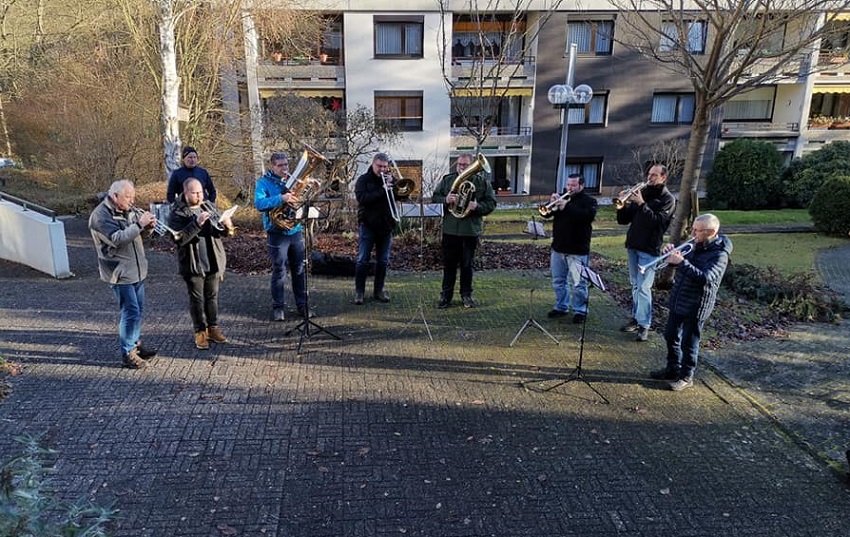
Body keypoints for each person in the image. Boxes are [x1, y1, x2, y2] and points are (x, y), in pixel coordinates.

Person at [650, 214, 732, 391]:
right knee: (670, 335)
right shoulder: (695, 244)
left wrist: (682, 262)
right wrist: (671, 258)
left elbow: (705, 278)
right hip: (679, 298)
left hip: (697, 305)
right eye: (692, 229)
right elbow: (682, 266)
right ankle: (672, 368)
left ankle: (687, 376)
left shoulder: (719, 255)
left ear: (711, 232)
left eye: (697, 230)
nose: (692, 233)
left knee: (689, 343)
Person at [88, 180, 158, 369]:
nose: (132, 200)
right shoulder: (100, 216)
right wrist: (139, 225)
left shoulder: (128, 210)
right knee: (130, 312)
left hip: (136, 270)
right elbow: (116, 239)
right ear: (115, 196)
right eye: (128, 197)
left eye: (133, 196)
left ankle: (135, 344)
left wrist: (148, 227)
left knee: (138, 311)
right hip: (118, 271)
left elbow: (138, 235)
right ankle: (127, 353)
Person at [168, 178, 234, 350]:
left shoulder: (208, 206)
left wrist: (227, 226)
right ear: (185, 192)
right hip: (192, 263)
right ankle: (200, 331)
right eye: (194, 193)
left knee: (212, 297)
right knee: (197, 299)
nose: (199, 196)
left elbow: (222, 233)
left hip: (213, 259)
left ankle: (213, 327)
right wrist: (196, 224)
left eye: (200, 192)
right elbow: (179, 239)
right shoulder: (177, 212)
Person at [616, 164, 676, 341]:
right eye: (649, 174)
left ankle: (645, 325)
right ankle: (636, 319)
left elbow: (657, 222)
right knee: (635, 285)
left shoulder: (667, 199)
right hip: (633, 245)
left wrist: (642, 204)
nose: (650, 178)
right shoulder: (642, 193)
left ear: (663, 177)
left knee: (644, 287)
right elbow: (624, 221)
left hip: (649, 249)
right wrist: (621, 206)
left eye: (655, 175)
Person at [431, 152, 497, 308]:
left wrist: (477, 206)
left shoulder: (481, 182)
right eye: (459, 164)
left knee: (467, 265)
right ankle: (446, 296)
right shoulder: (448, 180)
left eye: (465, 165)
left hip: (470, 230)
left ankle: (466, 295)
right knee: (449, 266)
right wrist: (446, 200)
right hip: (450, 229)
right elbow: (435, 198)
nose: (461, 167)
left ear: (472, 165)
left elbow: (492, 203)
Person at [254, 152, 309, 321]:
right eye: (280, 165)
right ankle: (278, 307)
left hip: (295, 230)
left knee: (299, 269)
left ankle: (302, 306)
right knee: (279, 270)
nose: (285, 168)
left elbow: (301, 202)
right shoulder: (263, 183)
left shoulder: (292, 181)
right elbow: (259, 204)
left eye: (286, 164)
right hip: (276, 232)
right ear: (272, 166)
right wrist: (281, 198)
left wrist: (301, 201)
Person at [541, 173, 597, 324]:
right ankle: (561, 306)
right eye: (568, 185)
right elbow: (546, 214)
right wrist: (551, 203)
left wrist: (566, 206)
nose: (570, 188)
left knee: (579, 284)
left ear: (581, 186)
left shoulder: (589, 201)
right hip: (558, 248)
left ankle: (580, 310)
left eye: (573, 185)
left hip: (577, 250)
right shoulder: (562, 198)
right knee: (558, 281)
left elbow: (586, 217)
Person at [353, 152, 397, 305]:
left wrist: (395, 185)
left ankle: (379, 290)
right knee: (362, 260)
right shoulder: (363, 180)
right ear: (373, 164)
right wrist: (382, 189)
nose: (382, 170)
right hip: (368, 225)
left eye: (385, 167)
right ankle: (359, 292)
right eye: (379, 166)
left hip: (386, 226)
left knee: (383, 261)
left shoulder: (390, 179)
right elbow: (362, 199)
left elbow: (400, 196)